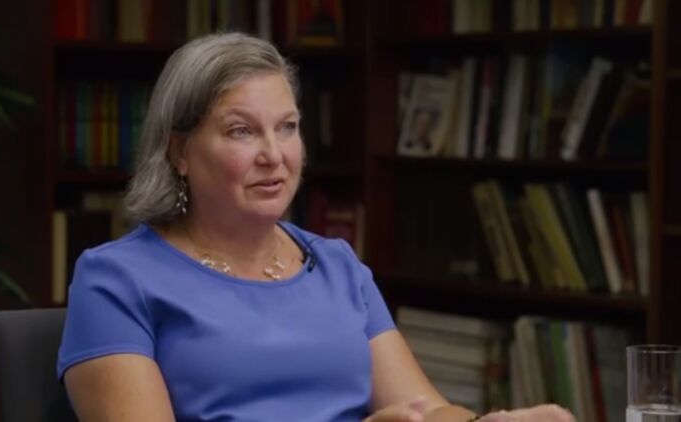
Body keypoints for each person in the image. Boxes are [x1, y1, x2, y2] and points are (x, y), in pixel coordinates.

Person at [57, 33, 575, 422]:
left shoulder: (336, 264)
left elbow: (424, 408)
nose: (274, 154)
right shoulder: (116, 280)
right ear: (179, 152)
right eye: (242, 131)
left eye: (287, 127)